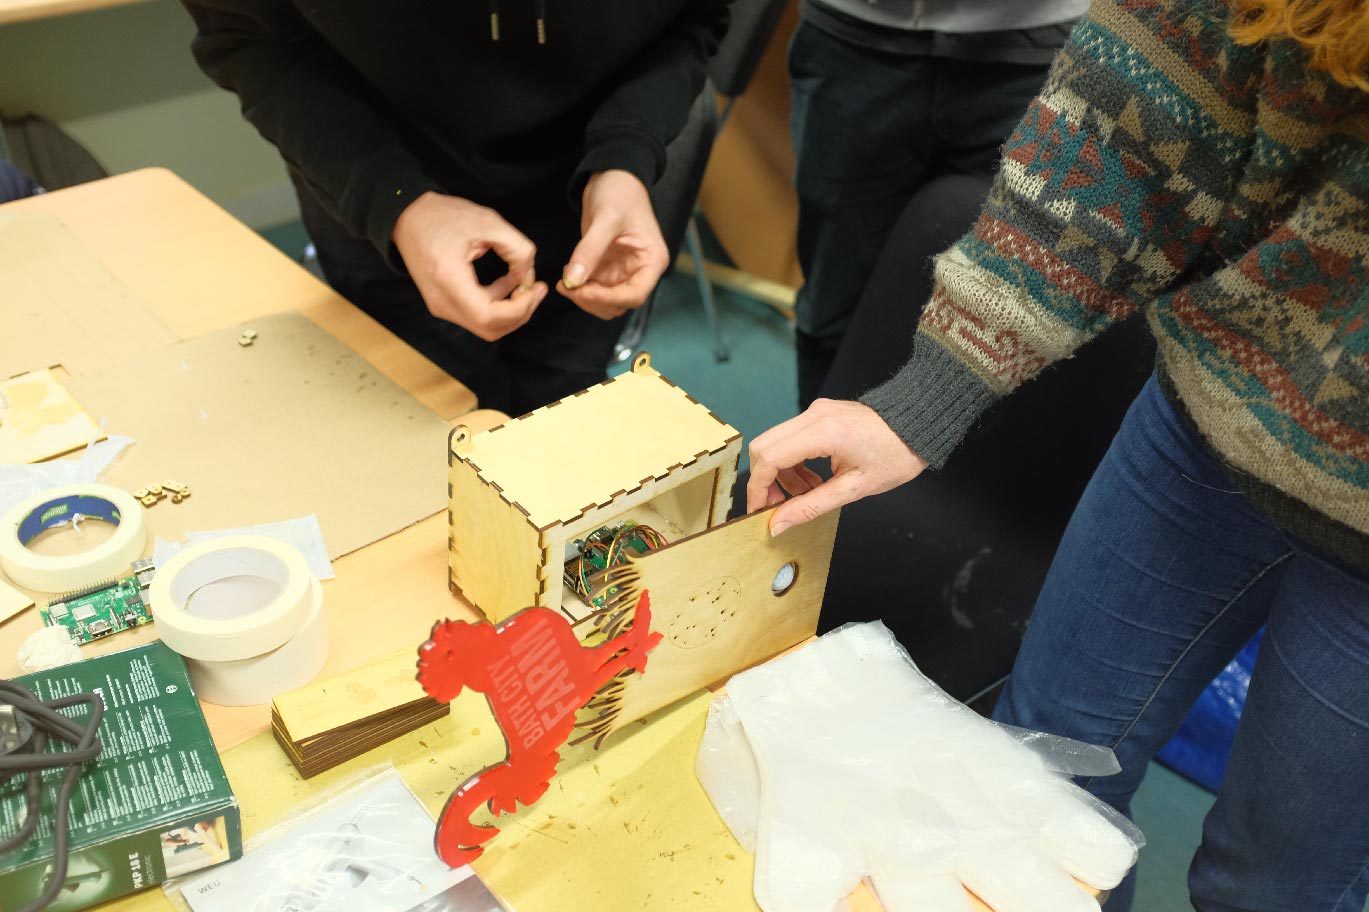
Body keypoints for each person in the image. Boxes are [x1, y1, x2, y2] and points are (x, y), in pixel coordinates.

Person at [748, 0, 1369, 908]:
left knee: (1273, 885)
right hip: (1207, 422)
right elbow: (1140, 115)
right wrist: (932, 391)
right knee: (1029, 786)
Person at [181, 1, 730, 415]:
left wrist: (624, 155)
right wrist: (397, 203)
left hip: (587, 206)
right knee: (430, 448)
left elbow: (694, 16)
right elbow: (251, 37)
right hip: (378, 189)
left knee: (554, 432)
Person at [789, 0, 1088, 408]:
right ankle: (807, 465)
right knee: (832, 304)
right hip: (853, 38)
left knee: (1001, 322)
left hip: (1036, 49)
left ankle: (949, 468)